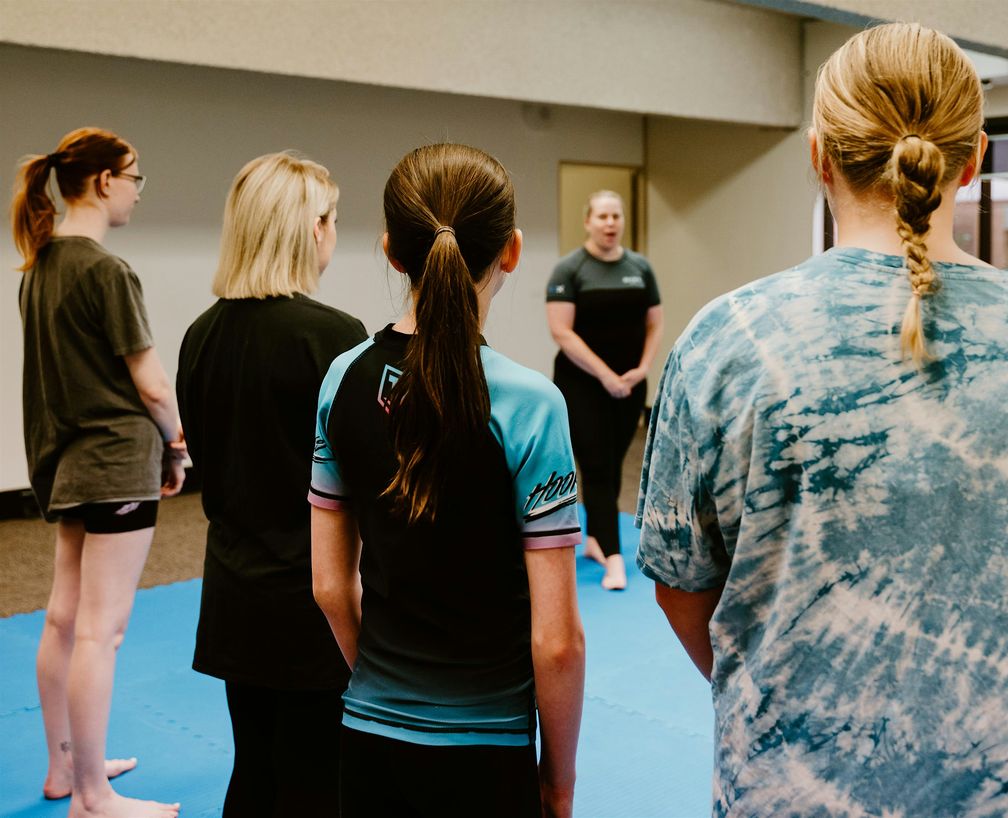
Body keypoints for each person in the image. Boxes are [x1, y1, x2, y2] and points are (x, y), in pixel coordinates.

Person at [637, 23, 1008, 818]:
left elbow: (681, 590)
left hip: (786, 790)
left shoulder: (728, 340)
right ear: (976, 157)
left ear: (819, 153)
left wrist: (780, 699)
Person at [310, 143, 586, 818]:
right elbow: (556, 642)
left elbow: (327, 585)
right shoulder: (530, 404)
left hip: (369, 740)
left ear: (390, 251)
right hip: (486, 750)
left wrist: (381, 687)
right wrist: (559, 779)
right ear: (512, 251)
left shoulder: (343, 378)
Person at [175, 152, 367, 817]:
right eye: (333, 219)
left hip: (235, 594)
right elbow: (364, 482)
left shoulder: (200, 336)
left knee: (254, 771)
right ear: (311, 228)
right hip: (315, 601)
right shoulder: (335, 338)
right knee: (318, 779)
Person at [12, 127, 184, 817]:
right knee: (99, 631)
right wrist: (178, 445)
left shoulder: (41, 265)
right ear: (106, 181)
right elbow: (152, 385)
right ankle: (92, 795)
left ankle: (68, 771)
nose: (139, 192)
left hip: (65, 464)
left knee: (62, 620)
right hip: (114, 464)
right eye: (135, 179)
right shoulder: (105, 271)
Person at [546, 190, 663, 590]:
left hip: (629, 385)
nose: (610, 223)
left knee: (612, 465)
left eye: (616, 216)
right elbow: (561, 331)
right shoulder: (570, 269)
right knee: (595, 466)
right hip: (582, 385)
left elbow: (654, 324)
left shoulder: (640, 268)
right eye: (602, 216)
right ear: (588, 221)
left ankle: (596, 539)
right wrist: (606, 375)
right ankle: (614, 558)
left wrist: (641, 370)